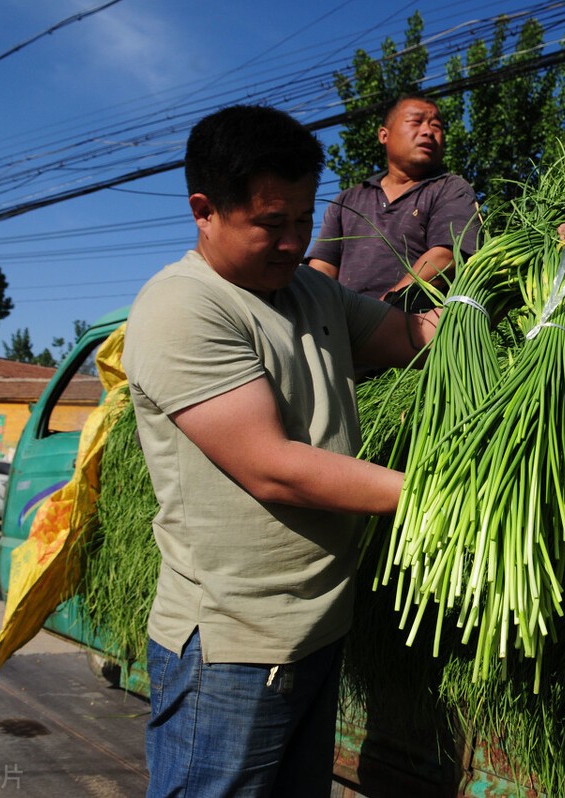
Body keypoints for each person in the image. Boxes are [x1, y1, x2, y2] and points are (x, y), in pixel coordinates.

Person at [121, 104, 444, 797]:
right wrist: (441, 497)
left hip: (317, 629)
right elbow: (274, 468)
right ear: (205, 210)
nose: (294, 241)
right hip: (234, 647)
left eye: (304, 220)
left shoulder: (311, 291)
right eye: (271, 223)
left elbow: (415, 337)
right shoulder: (184, 306)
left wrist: (516, 289)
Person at [305, 94, 481, 311]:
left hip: (416, 326)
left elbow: (446, 257)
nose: (428, 132)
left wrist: (379, 311)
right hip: (343, 325)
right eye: (415, 122)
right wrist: (324, 315)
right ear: (384, 135)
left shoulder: (450, 188)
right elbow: (323, 266)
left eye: (436, 126)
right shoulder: (348, 198)